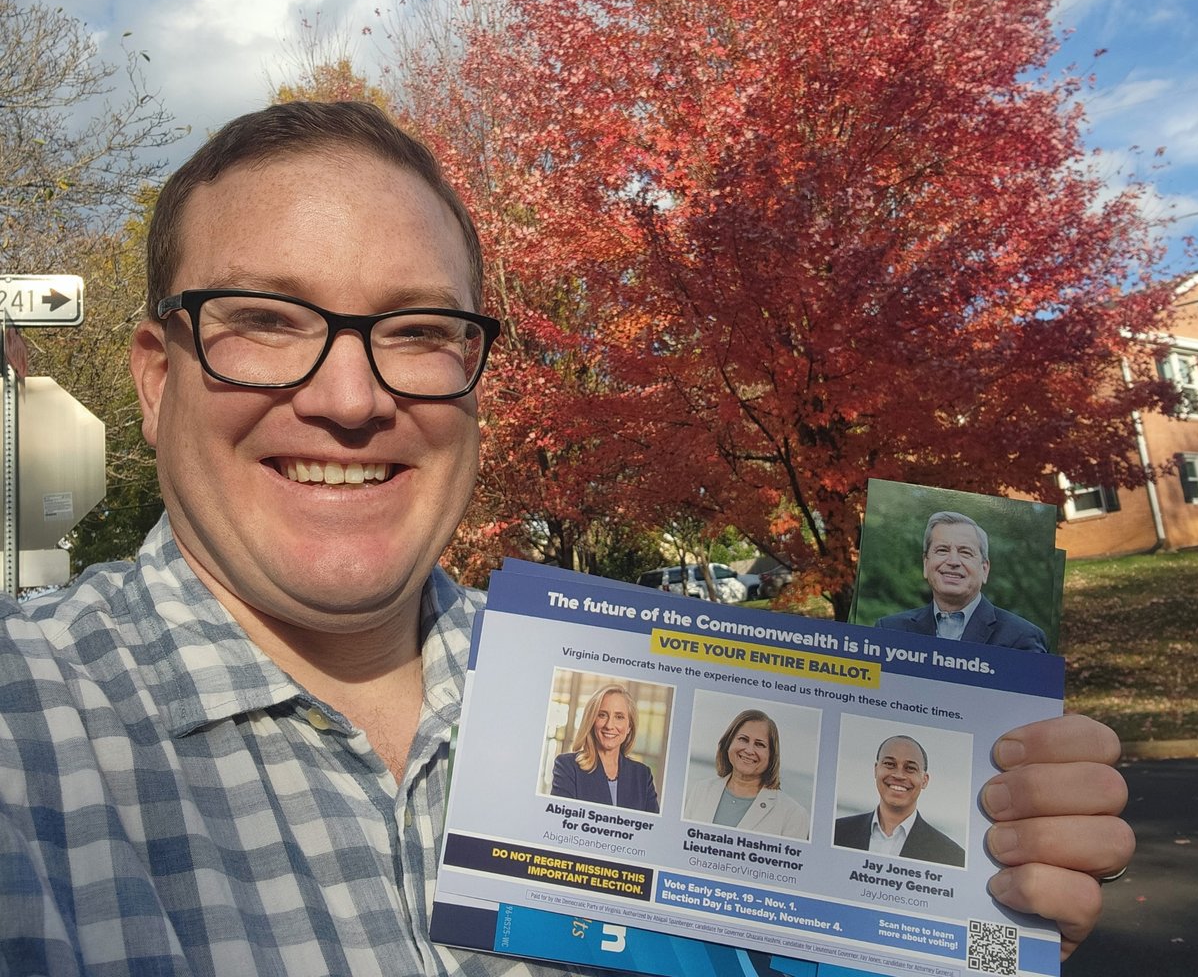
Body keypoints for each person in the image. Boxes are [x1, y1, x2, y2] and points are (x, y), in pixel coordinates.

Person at [0, 102, 1133, 973]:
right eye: (264, 320)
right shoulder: (24, 736)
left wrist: (966, 928)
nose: (350, 399)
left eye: (418, 330)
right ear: (156, 379)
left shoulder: (654, 699)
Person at [875, 510, 1048, 651]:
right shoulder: (889, 631)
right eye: (942, 550)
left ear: (984, 569)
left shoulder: (1022, 638)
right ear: (926, 564)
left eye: (965, 552)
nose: (953, 561)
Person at [834, 734, 965, 867]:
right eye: (889, 764)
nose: (899, 775)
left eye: (910, 768)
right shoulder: (835, 832)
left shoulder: (952, 856)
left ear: (924, 780)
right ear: (876, 770)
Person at [683, 709, 809, 839]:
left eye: (759, 744)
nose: (749, 750)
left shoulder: (793, 815)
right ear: (728, 743)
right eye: (743, 739)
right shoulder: (701, 790)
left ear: (771, 756)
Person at [550, 683, 660, 811]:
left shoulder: (642, 775)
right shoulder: (567, 766)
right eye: (602, 715)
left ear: (629, 726)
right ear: (591, 721)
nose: (609, 725)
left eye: (619, 717)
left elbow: (652, 824)